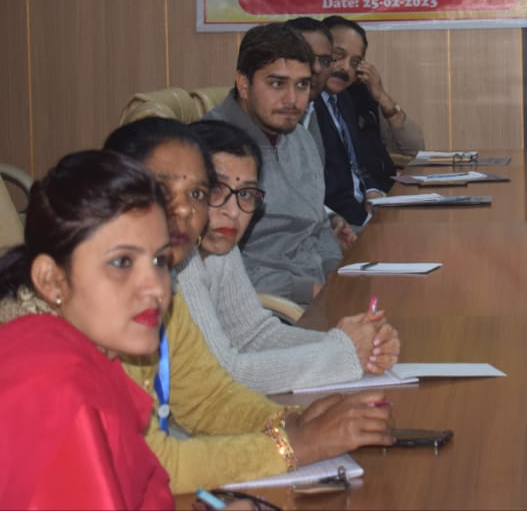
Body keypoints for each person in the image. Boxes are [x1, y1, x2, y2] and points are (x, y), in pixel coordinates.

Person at [103, 118, 395, 493]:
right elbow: (147, 464)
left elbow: (209, 398)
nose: (185, 210)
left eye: (196, 193)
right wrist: (295, 446)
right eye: (162, 189)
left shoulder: (160, 282)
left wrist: (292, 422)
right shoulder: (95, 294)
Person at [0, 150, 174, 508]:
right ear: (51, 280)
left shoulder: (87, 356)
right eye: (122, 262)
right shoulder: (54, 387)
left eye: (160, 260)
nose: (156, 287)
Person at [182, 118, 400, 394]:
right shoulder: (177, 261)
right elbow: (223, 375)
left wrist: (352, 343)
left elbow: (256, 336)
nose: (233, 211)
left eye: (246, 194)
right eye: (216, 190)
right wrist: (343, 353)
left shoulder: (220, 246)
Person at [203, 23, 349, 304]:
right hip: (266, 306)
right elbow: (207, 264)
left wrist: (335, 274)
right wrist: (308, 290)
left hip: (320, 291)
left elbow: (318, 225)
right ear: (243, 84)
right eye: (277, 84)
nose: (292, 100)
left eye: (302, 85)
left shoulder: (300, 137)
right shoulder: (210, 148)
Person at [320, 16, 426, 227]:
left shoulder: (349, 98)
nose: (345, 68)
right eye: (337, 56)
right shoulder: (306, 107)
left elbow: (414, 149)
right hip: (342, 220)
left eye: (355, 63)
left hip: (375, 202)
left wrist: (381, 97)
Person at [284, 16, 335, 153]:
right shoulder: (262, 118)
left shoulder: (312, 110)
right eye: (305, 57)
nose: (317, 68)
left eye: (325, 60)